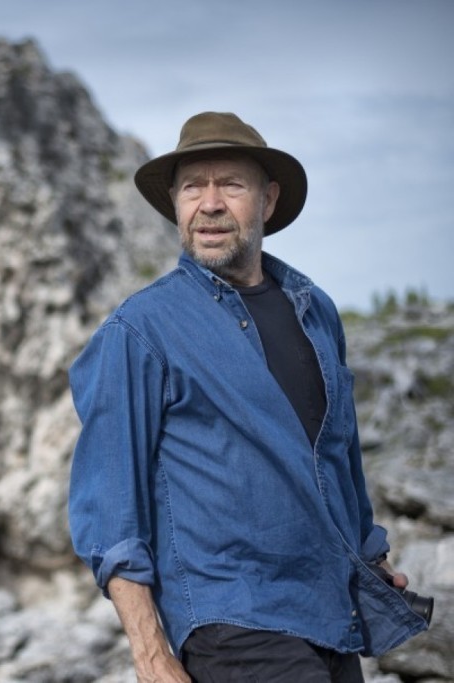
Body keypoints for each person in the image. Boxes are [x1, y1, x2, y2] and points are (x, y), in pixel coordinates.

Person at [67, 112, 428, 682]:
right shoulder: (139, 330)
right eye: (193, 187)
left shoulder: (316, 310)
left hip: (331, 611)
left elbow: (339, 454)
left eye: (231, 185)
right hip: (231, 621)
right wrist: (150, 651)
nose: (209, 204)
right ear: (177, 205)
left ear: (268, 200)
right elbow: (109, 509)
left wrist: (370, 556)